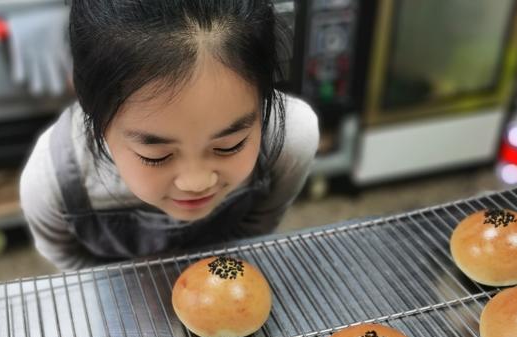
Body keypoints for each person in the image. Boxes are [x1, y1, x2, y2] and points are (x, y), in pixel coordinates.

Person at [20, 0, 319, 271]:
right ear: (90, 105)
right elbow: (70, 260)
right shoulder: (53, 180)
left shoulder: (290, 140)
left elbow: (256, 230)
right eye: (157, 155)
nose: (197, 182)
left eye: (230, 146)